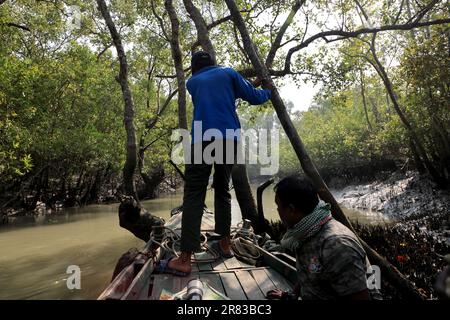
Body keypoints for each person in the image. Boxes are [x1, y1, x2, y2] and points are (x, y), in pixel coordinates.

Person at [166, 51, 273, 275]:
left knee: (194, 195)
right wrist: (268, 91)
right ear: (214, 63)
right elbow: (253, 96)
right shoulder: (228, 73)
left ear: (195, 68)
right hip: (228, 139)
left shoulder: (192, 83)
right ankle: (225, 246)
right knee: (222, 190)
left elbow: (215, 97)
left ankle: (185, 259)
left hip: (200, 140)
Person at [266, 175, 379, 300]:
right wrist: (291, 295)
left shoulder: (336, 245)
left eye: (278, 206)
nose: (277, 211)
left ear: (291, 209)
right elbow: (310, 273)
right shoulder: (306, 233)